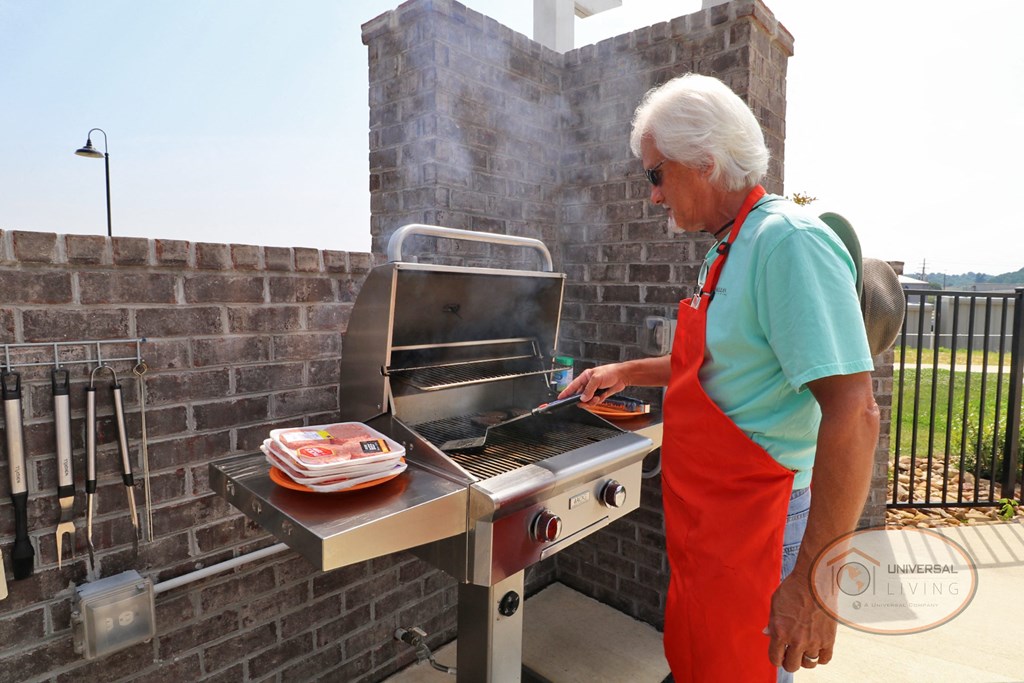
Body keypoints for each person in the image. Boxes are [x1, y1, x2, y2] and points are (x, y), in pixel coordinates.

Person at [557, 73, 880, 682]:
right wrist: (622, 370)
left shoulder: (788, 242)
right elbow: (714, 364)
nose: (652, 195)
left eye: (656, 174)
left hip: (761, 523)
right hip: (711, 521)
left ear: (704, 160)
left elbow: (854, 414)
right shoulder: (727, 248)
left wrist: (813, 583)